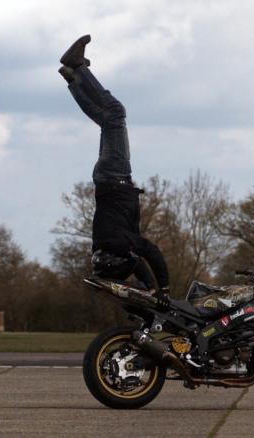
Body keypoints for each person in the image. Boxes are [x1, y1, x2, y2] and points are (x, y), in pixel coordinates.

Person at [58, 35, 170, 300]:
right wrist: (150, 288)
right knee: (105, 118)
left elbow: (151, 253)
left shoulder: (120, 242)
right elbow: (136, 262)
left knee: (116, 113)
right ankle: (73, 79)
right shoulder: (103, 246)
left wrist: (164, 290)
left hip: (116, 174)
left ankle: (78, 67)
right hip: (106, 178)